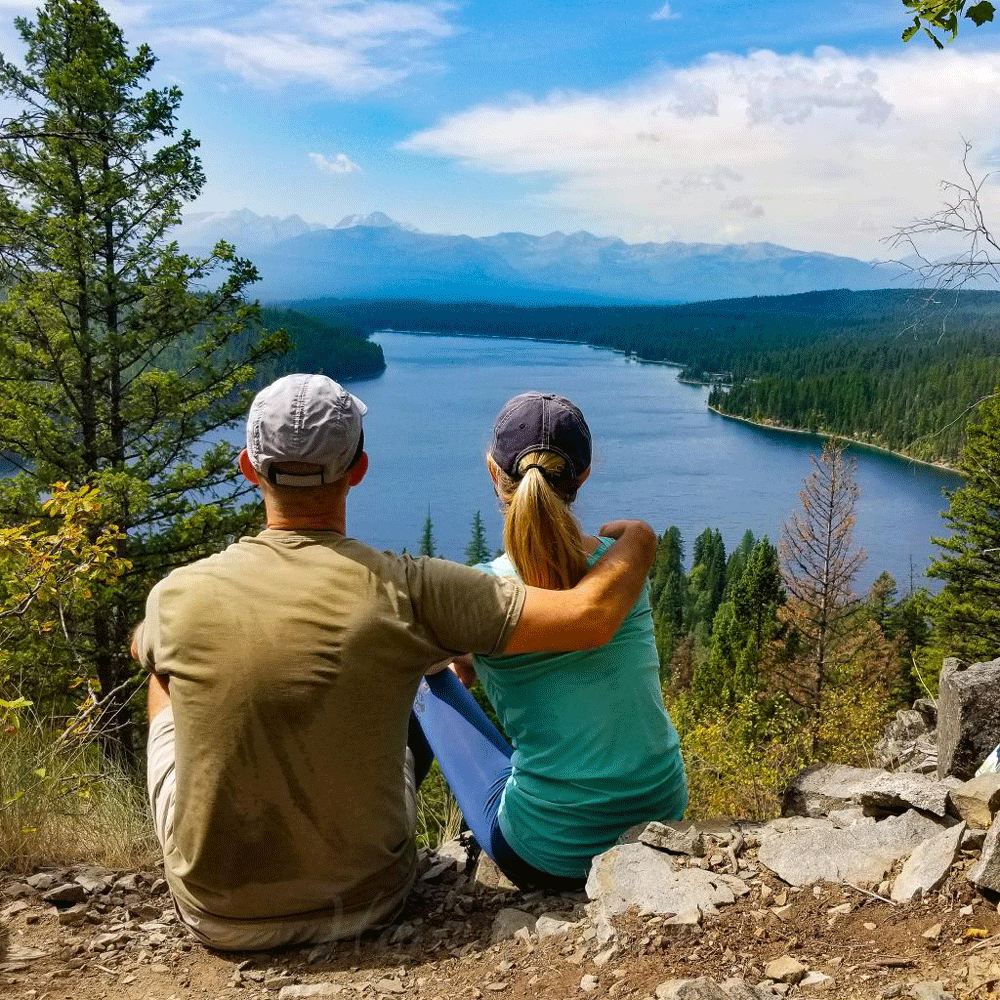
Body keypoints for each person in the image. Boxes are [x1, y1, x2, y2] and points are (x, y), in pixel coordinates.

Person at [133, 373, 656, 951]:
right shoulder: (410, 592)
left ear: (249, 467)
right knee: (417, 670)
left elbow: (146, 647)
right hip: (369, 895)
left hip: (215, 912)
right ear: (358, 469)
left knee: (165, 676)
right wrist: (639, 539)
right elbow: (588, 614)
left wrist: (163, 636)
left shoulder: (175, 596)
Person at [412, 392, 687, 890]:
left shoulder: (480, 592)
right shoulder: (622, 569)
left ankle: (377, 852)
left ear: (494, 472)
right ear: (582, 476)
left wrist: (464, 651)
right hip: (660, 817)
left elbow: (424, 659)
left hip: (549, 853)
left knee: (422, 685)